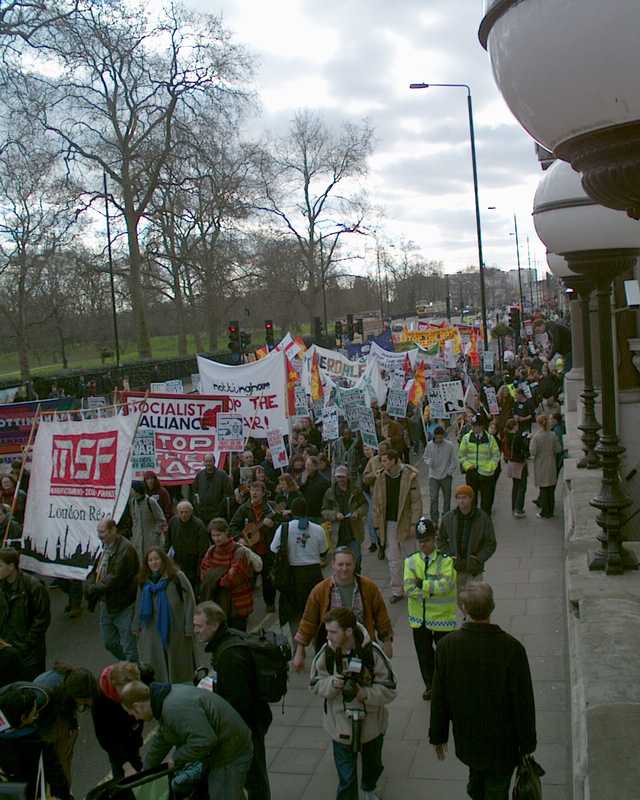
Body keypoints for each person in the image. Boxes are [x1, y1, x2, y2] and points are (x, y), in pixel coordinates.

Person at [429, 582, 537, 799]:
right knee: (495, 790)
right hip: (503, 745)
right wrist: (527, 743)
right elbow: (524, 702)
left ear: (464, 609)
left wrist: (438, 735)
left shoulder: (447, 646)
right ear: (493, 607)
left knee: (476, 782)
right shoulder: (512, 649)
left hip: (468, 739)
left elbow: (439, 696)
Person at [310, 607, 397, 800]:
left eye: (333, 632)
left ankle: (368, 787)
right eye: (327, 631)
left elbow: (390, 688)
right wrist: (333, 683)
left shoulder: (372, 652)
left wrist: (364, 693)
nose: (328, 636)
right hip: (340, 724)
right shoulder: (327, 653)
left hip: (371, 725)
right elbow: (315, 683)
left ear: (348, 631)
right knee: (347, 778)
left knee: (372, 765)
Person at [121, 679, 253, 800]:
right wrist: (145, 771)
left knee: (222, 795)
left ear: (138, 706)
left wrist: (177, 758)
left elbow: (204, 741)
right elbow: (163, 738)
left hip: (231, 752)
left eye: (134, 714)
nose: (137, 719)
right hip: (226, 745)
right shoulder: (163, 700)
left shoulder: (173, 708)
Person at [193, 601, 272, 800]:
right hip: (254, 719)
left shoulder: (229, 655)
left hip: (246, 726)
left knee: (253, 778)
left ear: (214, 625)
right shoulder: (229, 641)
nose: (195, 631)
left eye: (199, 626)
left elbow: (237, 701)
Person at [293, 547, 393, 673]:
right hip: (332, 651)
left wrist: (387, 641)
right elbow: (308, 621)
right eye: (340, 564)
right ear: (333, 565)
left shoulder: (369, 587)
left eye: (348, 564)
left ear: (354, 565)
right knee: (334, 685)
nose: (344, 569)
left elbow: (381, 614)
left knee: (359, 684)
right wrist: (300, 651)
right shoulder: (320, 591)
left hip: (361, 649)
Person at [403, 518, 457, 700]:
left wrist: (423, 585)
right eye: (420, 541)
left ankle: (447, 684)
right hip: (419, 619)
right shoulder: (410, 562)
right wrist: (431, 589)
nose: (423, 545)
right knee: (424, 656)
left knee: (445, 656)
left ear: (434, 539)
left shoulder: (446, 561)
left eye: (426, 540)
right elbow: (409, 589)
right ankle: (431, 686)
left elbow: (447, 585)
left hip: (442, 618)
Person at [133, 547, 195, 683]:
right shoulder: (144, 582)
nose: (154, 563)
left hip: (176, 628)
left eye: (156, 559)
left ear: (163, 560)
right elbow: (139, 604)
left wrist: (190, 626)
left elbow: (189, 600)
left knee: (177, 662)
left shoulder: (177, 577)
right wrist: (136, 625)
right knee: (157, 662)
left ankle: (180, 687)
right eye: (150, 560)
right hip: (152, 629)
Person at [0, 681, 71, 800]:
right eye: (34, 712)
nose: (37, 715)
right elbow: (56, 778)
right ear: (23, 717)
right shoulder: (39, 745)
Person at [34, 663, 97, 787]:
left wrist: (73, 727)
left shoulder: (72, 681)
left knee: (63, 756)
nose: (89, 702)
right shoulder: (47, 694)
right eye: (84, 699)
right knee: (59, 760)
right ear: (74, 694)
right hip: (45, 719)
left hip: (55, 714)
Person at [270, 495, 326, 637]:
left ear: (291, 511)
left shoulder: (283, 529)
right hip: (313, 575)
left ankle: (297, 644)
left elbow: (274, 548)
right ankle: (316, 643)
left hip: (291, 576)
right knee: (314, 612)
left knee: (293, 613)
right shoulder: (318, 529)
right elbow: (323, 550)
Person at [372, 448, 423, 602]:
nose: (382, 463)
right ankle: (397, 591)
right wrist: (376, 523)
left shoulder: (409, 476)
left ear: (394, 460)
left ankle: (415, 586)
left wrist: (415, 523)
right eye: (382, 460)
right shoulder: (380, 478)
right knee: (393, 558)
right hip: (388, 523)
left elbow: (416, 501)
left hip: (406, 522)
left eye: (385, 460)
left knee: (411, 556)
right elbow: (376, 502)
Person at [85, 518, 139, 662]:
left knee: (129, 645)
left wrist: (93, 588)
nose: (99, 535)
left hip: (124, 604)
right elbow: (95, 569)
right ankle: (129, 666)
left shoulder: (126, 550)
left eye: (102, 532)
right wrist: (90, 582)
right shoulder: (105, 546)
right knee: (109, 642)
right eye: (98, 531)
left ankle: (134, 675)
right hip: (107, 602)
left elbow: (115, 577)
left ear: (113, 530)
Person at [0, 547, 50, 678]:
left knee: (31, 688)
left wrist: (26, 645)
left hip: (29, 654)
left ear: (11, 566)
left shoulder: (34, 587)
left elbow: (42, 620)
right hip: (6, 649)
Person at [91, 661, 147, 779]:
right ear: (115, 685)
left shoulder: (139, 679)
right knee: (122, 778)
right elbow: (105, 737)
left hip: (132, 735)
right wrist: (125, 765)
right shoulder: (99, 699)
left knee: (137, 766)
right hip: (115, 740)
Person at [229, 480, 278, 612]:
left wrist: (272, 525)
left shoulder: (270, 508)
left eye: (257, 490)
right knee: (248, 580)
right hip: (250, 551)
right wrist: (240, 538)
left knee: (268, 580)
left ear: (263, 493)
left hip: (267, 549)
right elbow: (233, 526)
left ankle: (270, 604)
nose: (254, 493)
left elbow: (281, 525)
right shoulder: (244, 508)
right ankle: (246, 605)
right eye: (252, 490)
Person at [438, 485, 496, 594]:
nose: (461, 501)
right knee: (461, 600)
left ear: (471, 498)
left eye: (464, 497)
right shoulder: (448, 518)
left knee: (476, 599)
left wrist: (478, 558)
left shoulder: (482, 518)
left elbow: (491, 543)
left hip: (474, 569)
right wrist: (449, 556)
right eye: (458, 498)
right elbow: (441, 540)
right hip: (456, 568)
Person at [199, 518, 255, 631]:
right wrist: (220, 575)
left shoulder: (239, 551)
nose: (216, 538)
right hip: (218, 604)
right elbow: (204, 571)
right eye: (213, 535)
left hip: (237, 605)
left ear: (226, 532)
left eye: (218, 535)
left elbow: (234, 576)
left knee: (238, 637)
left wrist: (215, 578)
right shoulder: (211, 551)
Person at [322, 465, 368, 569]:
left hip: (353, 532)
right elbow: (324, 511)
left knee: (356, 562)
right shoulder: (330, 493)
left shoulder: (355, 491)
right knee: (340, 564)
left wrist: (358, 512)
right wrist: (334, 515)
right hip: (338, 534)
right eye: (338, 477)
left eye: (342, 477)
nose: (340, 479)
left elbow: (365, 505)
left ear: (347, 477)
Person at [458, 415, 500, 515]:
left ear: (482, 426)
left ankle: (485, 522)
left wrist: (490, 467)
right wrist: (467, 466)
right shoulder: (466, 438)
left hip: (486, 475)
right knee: (471, 500)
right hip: (472, 474)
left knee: (486, 502)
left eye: (476, 426)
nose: (474, 428)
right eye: (473, 425)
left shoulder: (490, 439)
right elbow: (461, 455)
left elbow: (496, 455)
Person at [166, 500, 210, 590]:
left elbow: (203, 549)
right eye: (181, 512)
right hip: (177, 561)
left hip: (193, 564)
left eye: (186, 512)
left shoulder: (199, 525)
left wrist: (200, 568)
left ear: (191, 512)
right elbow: (168, 541)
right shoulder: (173, 521)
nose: (184, 515)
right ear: (177, 512)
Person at [530, 414, 562, 519]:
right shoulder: (553, 435)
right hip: (551, 462)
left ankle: (545, 512)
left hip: (540, 463)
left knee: (543, 488)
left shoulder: (536, 437)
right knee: (550, 489)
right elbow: (558, 449)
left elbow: (533, 451)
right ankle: (550, 511)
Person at [423, 425, 457, 523]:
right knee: (433, 498)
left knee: (447, 498)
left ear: (443, 436)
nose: (438, 439)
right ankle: (434, 520)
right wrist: (429, 462)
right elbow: (425, 457)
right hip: (433, 476)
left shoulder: (449, 445)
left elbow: (454, 461)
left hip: (446, 476)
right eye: (437, 437)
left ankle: (446, 518)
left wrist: (449, 472)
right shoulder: (429, 445)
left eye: (440, 437)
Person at [192, 453, 234, 524]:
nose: (208, 463)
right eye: (206, 461)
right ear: (204, 463)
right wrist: (198, 507)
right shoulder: (200, 475)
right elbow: (194, 491)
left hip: (218, 513)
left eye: (210, 461)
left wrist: (220, 508)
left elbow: (228, 493)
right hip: (203, 513)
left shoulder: (222, 475)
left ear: (214, 462)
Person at [129, 480, 166, 560]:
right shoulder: (132, 502)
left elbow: (161, 519)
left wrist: (155, 533)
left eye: (131, 489)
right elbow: (134, 520)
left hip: (152, 541)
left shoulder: (150, 501)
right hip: (138, 541)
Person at [503, 418, 529, 518]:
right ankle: (519, 509)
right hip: (519, 463)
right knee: (522, 486)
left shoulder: (506, 436)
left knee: (515, 486)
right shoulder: (516, 437)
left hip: (511, 463)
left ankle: (514, 506)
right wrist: (526, 440)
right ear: (514, 426)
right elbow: (523, 449)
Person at [299, 455, 330, 522]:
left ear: (315, 467)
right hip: (305, 513)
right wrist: (302, 483)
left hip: (317, 515)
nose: (307, 467)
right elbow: (300, 493)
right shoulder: (304, 478)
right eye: (306, 464)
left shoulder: (324, 481)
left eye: (309, 465)